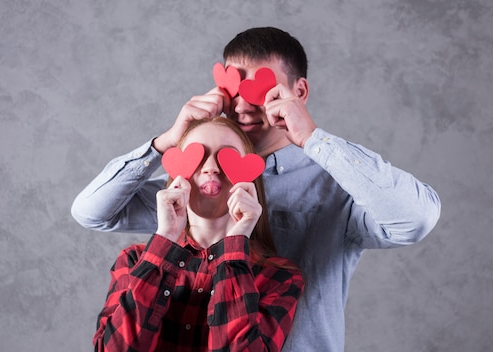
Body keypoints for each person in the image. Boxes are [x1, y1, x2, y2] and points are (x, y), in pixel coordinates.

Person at [73, 27, 441, 352]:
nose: (245, 104)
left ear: (299, 91)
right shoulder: (194, 190)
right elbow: (91, 211)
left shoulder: (337, 190)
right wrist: (166, 142)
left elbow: (415, 220)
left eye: (262, 89)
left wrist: (313, 139)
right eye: (233, 88)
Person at [92, 117, 304, 351]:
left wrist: (235, 245)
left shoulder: (280, 278)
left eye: (227, 158)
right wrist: (165, 238)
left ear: (248, 177)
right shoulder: (134, 261)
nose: (211, 167)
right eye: (198, 157)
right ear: (176, 173)